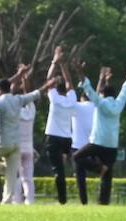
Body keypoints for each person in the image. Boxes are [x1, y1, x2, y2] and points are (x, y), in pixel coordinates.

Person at [0, 67, 52, 204]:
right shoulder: (17, 100)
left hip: (2, 142)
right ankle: (6, 201)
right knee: (11, 177)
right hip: (15, 144)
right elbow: (34, 94)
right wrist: (47, 86)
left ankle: (6, 171)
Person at [72, 62, 126, 205]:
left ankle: (99, 168)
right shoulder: (119, 104)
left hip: (98, 142)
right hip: (112, 144)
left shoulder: (100, 103)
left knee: (77, 156)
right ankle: (103, 202)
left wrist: (80, 71)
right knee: (107, 177)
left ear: (103, 94)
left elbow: (88, 89)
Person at [43, 48, 78, 205]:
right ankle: (63, 196)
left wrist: (54, 62)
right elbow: (69, 82)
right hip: (67, 138)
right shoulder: (71, 99)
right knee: (62, 168)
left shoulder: (55, 99)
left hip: (54, 137)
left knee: (58, 170)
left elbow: (48, 79)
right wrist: (63, 66)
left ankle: (62, 199)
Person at [70, 82, 95, 205]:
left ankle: (83, 201)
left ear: (82, 98)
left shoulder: (77, 107)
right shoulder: (96, 106)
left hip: (77, 145)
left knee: (80, 177)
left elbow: (70, 91)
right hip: (92, 145)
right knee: (97, 168)